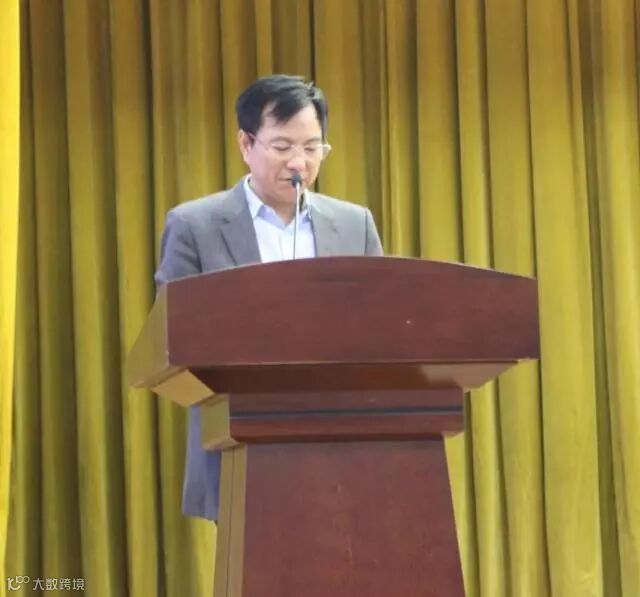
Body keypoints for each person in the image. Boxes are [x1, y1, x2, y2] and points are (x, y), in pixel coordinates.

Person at [155, 74, 383, 521]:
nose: (299, 162)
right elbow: (173, 334)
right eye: (282, 147)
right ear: (246, 144)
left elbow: (380, 327)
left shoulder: (354, 224)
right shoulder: (195, 225)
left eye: (312, 148)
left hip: (340, 445)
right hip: (241, 444)